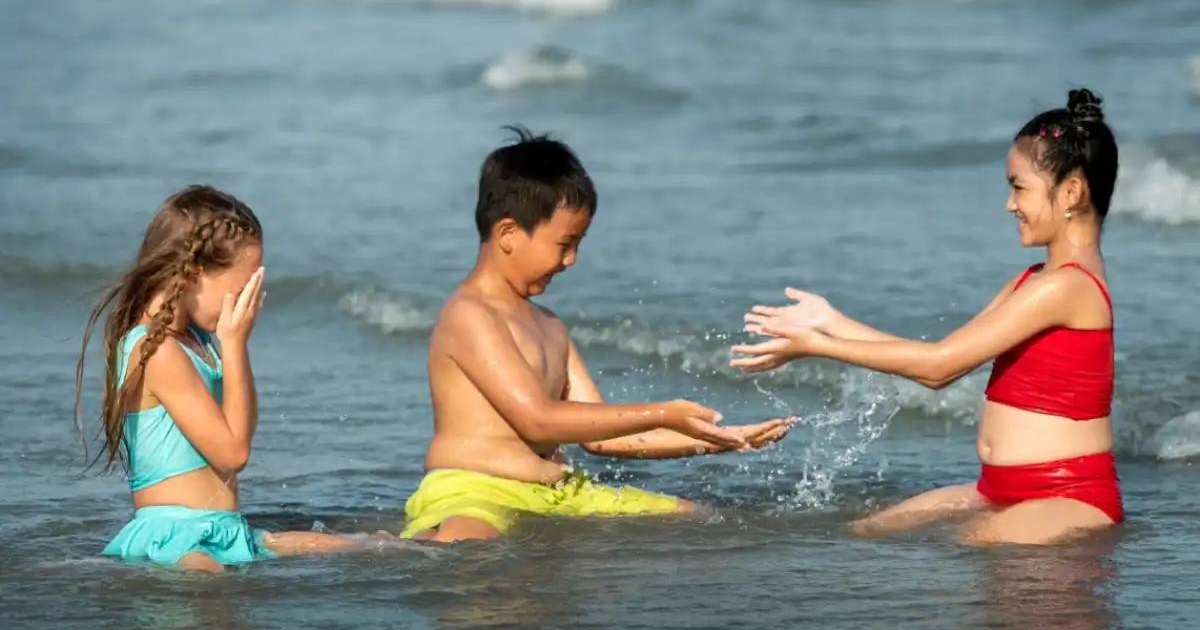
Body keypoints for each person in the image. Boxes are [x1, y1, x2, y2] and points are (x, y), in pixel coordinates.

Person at [731, 89, 1122, 544]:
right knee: (867, 531)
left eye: (1019, 187)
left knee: (969, 546)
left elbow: (939, 369)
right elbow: (940, 358)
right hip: (1000, 490)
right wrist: (830, 321)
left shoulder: (1066, 287)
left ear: (1071, 192)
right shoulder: (1034, 280)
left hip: (1067, 494)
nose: (1009, 204)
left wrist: (817, 347)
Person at [402, 128, 791, 542]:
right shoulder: (469, 315)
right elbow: (537, 421)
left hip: (559, 493)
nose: (571, 260)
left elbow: (603, 440)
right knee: (466, 548)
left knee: (701, 521)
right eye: (565, 243)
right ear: (508, 234)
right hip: (476, 490)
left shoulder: (550, 325)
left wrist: (717, 439)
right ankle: (355, 546)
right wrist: (663, 411)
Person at [75, 185, 359, 571]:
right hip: (176, 538)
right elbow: (232, 455)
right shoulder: (156, 349)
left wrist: (231, 348)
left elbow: (239, 428)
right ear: (194, 274)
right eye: (242, 289)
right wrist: (236, 346)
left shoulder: (198, 341)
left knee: (366, 547)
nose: (249, 301)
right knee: (214, 593)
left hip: (224, 531)